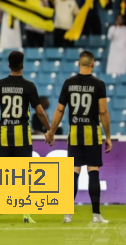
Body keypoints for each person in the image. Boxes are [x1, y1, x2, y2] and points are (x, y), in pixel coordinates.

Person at [0, 51, 51, 223]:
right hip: (22, 134)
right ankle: (26, 214)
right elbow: (39, 111)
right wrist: (49, 130)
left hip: (5, 134)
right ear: (22, 65)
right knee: (24, 174)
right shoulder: (29, 86)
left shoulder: (0, 85)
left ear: (8, 65)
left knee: (2, 174)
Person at [46, 51, 112, 224]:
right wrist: (108, 137)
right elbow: (103, 112)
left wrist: (51, 132)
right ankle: (96, 215)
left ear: (78, 64)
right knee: (93, 170)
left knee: (74, 172)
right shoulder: (99, 84)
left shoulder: (69, 83)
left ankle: (67, 214)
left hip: (74, 133)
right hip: (92, 133)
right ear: (93, 64)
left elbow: (60, 110)